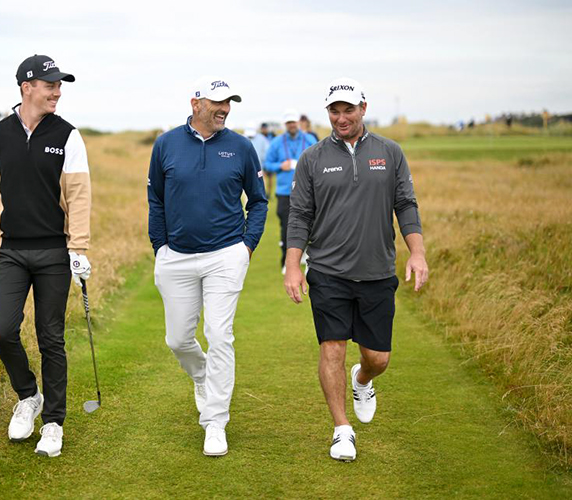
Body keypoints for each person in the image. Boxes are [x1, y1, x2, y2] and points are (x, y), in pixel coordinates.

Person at [284, 77, 428, 462]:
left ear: (363, 109)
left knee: (378, 358)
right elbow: (299, 215)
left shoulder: (390, 152)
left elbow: (406, 205)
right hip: (328, 271)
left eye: (349, 109)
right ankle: (341, 430)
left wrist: (417, 253)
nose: (341, 117)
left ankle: (361, 380)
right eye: (335, 110)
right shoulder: (312, 158)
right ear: (327, 112)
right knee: (332, 346)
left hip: (377, 271)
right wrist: (292, 265)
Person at [0, 54, 92, 458]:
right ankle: (28, 396)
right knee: (2, 331)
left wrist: (79, 248)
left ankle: (53, 423)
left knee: (50, 337)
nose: (57, 92)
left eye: (60, 85)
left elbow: (78, 196)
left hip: (54, 251)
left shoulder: (68, 135)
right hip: (9, 250)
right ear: (27, 87)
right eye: (50, 85)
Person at [147, 76, 268, 457]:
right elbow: (156, 199)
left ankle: (215, 422)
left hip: (225, 255)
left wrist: (246, 247)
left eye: (229, 102)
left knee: (219, 334)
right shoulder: (166, 144)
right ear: (195, 103)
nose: (224, 109)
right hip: (176, 257)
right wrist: (160, 246)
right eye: (217, 102)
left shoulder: (241, 147)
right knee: (178, 340)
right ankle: (202, 376)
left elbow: (259, 201)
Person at [264, 109, 317, 272]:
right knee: (287, 226)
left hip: (308, 190)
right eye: (288, 123)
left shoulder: (309, 139)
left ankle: (309, 259)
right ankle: (287, 261)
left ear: (298, 123)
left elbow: (320, 160)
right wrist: (281, 166)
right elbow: (267, 164)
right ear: (285, 125)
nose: (291, 125)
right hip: (285, 191)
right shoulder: (277, 142)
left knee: (313, 225)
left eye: (293, 122)